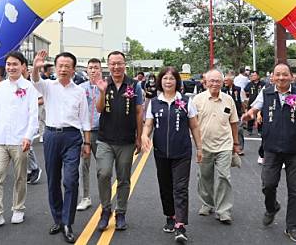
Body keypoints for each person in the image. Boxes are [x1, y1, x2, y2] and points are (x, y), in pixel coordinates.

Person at [241, 63, 296, 243]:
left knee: (295, 190)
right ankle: (272, 207)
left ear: (291, 76)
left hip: (294, 150)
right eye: (278, 75)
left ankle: (292, 227)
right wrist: (249, 114)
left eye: (285, 74)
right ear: (273, 77)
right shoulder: (266, 92)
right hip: (272, 148)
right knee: (268, 184)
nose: (281, 78)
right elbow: (256, 108)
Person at [32, 50, 91, 244]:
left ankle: (67, 223)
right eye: (60, 66)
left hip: (72, 137)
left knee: (71, 180)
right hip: (51, 136)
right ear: (55, 68)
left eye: (67, 66)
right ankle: (57, 218)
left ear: (73, 69)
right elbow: (35, 82)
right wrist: (36, 66)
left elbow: (84, 119)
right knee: (53, 180)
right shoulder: (48, 86)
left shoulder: (79, 91)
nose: (63, 69)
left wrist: (87, 142)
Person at [141, 67, 203, 244]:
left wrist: (199, 148)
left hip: (182, 152)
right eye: (165, 78)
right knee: (165, 187)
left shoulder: (185, 101)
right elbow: (148, 124)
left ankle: (180, 225)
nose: (168, 81)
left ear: (177, 81)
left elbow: (195, 126)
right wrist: (145, 135)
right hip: (161, 153)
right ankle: (170, 215)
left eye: (172, 79)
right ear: (160, 81)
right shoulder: (154, 103)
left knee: (180, 188)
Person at [0, 52, 39, 229]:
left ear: (22, 66)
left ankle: (18, 208)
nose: (11, 67)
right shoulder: (0, 87)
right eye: (8, 64)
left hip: (20, 140)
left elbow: (33, 115)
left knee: (20, 176)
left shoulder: (29, 87)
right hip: (0, 139)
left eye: (15, 64)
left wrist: (29, 136)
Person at [95, 51, 143, 232]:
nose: (116, 67)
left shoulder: (134, 85)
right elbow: (99, 109)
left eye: (119, 63)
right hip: (105, 139)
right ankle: (105, 209)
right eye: (112, 64)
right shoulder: (103, 83)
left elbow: (139, 112)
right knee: (104, 173)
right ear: (108, 65)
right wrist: (101, 92)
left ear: (125, 64)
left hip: (127, 141)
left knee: (123, 178)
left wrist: (139, 137)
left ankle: (121, 212)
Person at [192, 69, 240, 224]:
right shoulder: (197, 100)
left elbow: (233, 123)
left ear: (222, 82)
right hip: (204, 145)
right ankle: (207, 203)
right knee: (204, 177)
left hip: (224, 145)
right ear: (205, 82)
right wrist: (196, 145)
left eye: (218, 81)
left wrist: (235, 144)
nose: (214, 84)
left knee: (224, 177)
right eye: (211, 81)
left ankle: (224, 210)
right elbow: (192, 124)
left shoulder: (228, 100)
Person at [76, 58, 104, 211]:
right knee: (83, 166)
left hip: (102, 133)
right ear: (87, 70)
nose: (93, 70)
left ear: (101, 70)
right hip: (85, 133)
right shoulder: (80, 88)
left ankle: (105, 198)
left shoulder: (106, 87)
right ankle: (85, 197)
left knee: (103, 168)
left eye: (96, 68)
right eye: (91, 68)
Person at [222, 74, 245, 156]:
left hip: (237, 112)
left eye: (226, 80)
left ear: (232, 81)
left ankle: (240, 148)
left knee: (239, 130)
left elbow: (242, 101)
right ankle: (228, 147)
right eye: (224, 81)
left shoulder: (238, 89)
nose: (225, 82)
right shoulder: (223, 90)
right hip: (226, 112)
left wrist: (244, 111)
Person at [243, 71, 265, 136]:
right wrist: (246, 99)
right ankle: (249, 130)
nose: (253, 77)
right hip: (251, 102)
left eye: (254, 75)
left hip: (260, 103)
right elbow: (245, 91)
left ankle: (260, 130)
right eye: (252, 75)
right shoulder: (249, 84)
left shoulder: (263, 84)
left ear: (258, 76)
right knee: (250, 116)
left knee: (260, 116)